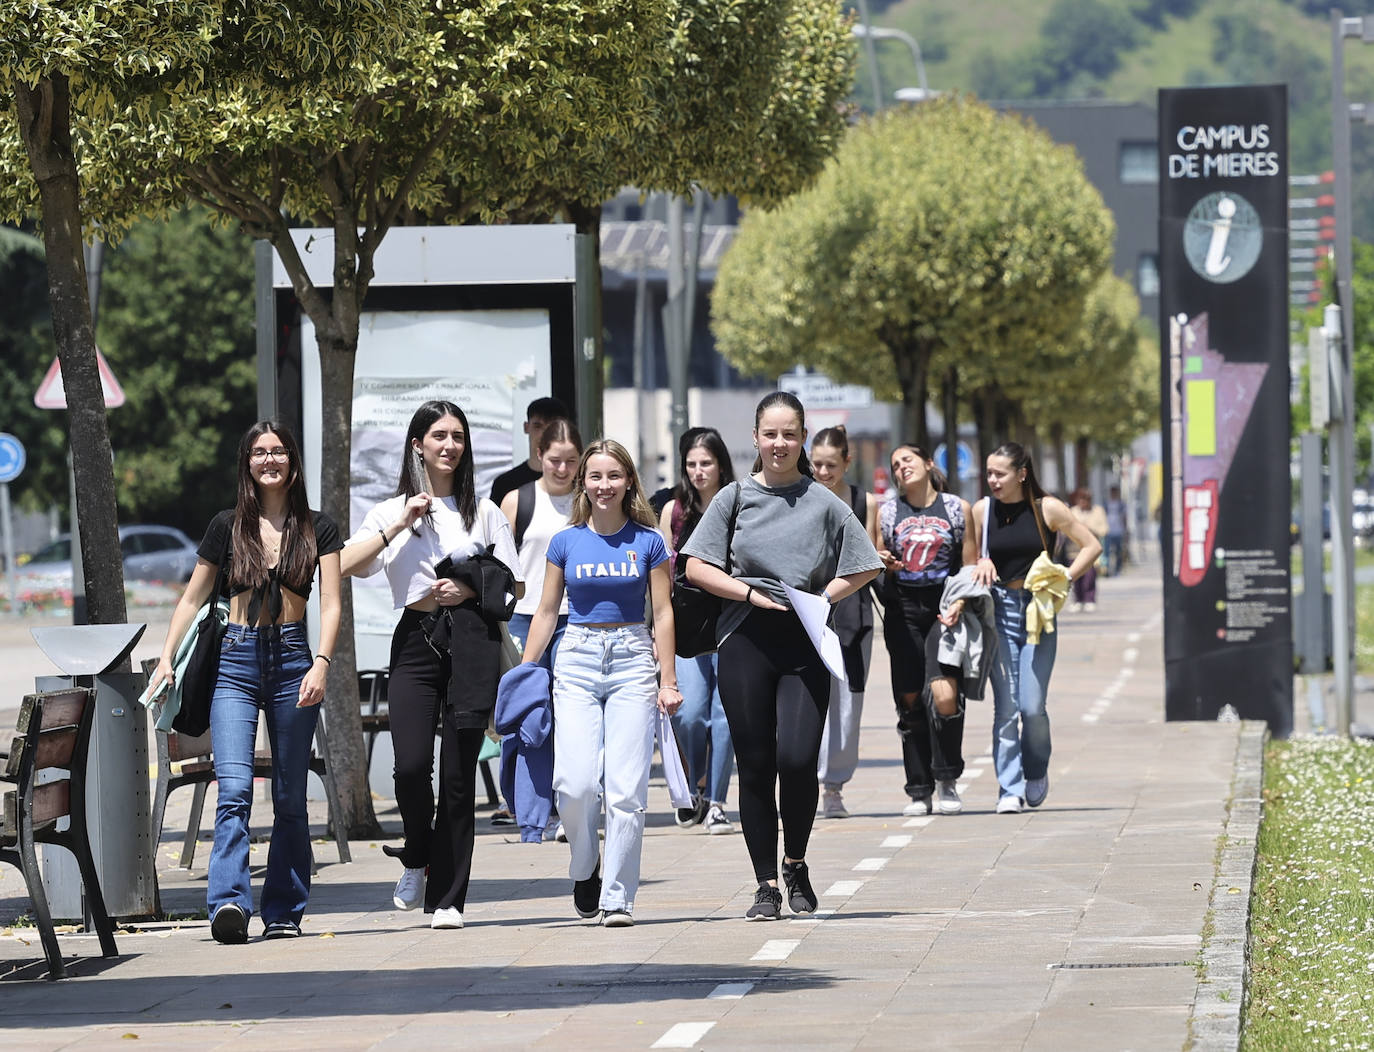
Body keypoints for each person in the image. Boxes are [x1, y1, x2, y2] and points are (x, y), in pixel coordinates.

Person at [681, 392, 881, 921]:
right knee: (756, 764)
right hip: (744, 638)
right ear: (755, 438)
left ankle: (796, 861)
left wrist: (823, 597)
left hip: (805, 640)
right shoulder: (733, 497)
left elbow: (865, 564)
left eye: (789, 434)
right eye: (770, 434)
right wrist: (747, 593)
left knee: (796, 760)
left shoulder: (825, 502)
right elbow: (696, 566)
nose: (779, 443)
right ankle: (766, 883)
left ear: (803, 438)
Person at [148, 421, 342, 944]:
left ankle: (283, 911)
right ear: (247, 464)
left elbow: (333, 603)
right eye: (259, 453)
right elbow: (191, 599)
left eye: (278, 451)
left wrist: (321, 663)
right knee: (232, 788)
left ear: (293, 461)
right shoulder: (226, 525)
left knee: (290, 796)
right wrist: (167, 658)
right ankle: (228, 904)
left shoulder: (318, 528)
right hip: (234, 662)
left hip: (295, 661)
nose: (269, 460)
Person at [341, 400, 523, 929]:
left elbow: (516, 584)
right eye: (439, 435)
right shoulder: (392, 509)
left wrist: (468, 586)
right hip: (416, 640)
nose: (450, 445)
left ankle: (448, 899)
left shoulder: (484, 511)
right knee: (412, 765)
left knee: (459, 775)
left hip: (470, 640)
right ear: (417, 443)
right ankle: (417, 852)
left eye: (458, 436)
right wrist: (402, 521)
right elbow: (349, 565)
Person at [520, 439, 679, 928]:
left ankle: (617, 897)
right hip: (577, 658)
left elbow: (664, 611)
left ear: (629, 480)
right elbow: (547, 611)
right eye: (595, 477)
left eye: (614, 476)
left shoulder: (648, 541)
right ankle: (585, 864)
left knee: (626, 789)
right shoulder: (565, 543)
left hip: (632, 658)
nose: (604, 485)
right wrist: (526, 675)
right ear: (582, 483)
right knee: (575, 784)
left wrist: (667, 679)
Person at [971, 442, 1101, 814]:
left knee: (1032, 706)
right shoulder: (983, 510)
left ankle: (1036, 768)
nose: (992, 480)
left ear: (1022, 474)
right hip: (996, 611)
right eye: (989, 473)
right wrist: (979, 563)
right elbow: (968, 557)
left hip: (1037, 614)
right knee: (1006, 707)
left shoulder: (1048, 508)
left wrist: (1065, 578)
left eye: (1000, 473)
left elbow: (1091, 546)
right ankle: (1008, 788)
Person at [875, 443, 976, 818]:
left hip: (944, 609)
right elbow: (873, 562)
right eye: (895, 464)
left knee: (945, 694)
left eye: (908, 461)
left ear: (928, 463)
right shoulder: (886, 512)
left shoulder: (955, 508)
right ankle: (919, 788)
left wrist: (960, 605)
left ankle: (948, 776)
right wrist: (883, 563)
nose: (902, 468)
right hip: (902, 611)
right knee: (910, 699)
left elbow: (968, 568)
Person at [498, 417, 583, 833]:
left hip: (575, 617)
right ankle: (524, 801)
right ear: (539, 457)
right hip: (524, 616)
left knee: (569, 713)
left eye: (570, 461)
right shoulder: (517, 501)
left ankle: (567, 804)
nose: (563, 469)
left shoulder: (589, 500)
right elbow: (497, 563)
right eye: (554, 460)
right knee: (527, 710)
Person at [658, 427, 737, 835]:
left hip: (732, 621)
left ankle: (719, 801)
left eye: (706, 462)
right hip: (687, 626)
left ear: (721, 464)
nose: (698, 471)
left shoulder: (740, 505)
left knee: (726, 716)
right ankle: (697, 783)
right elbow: (661, 577)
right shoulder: (675, 511)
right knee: (688, 713)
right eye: (691, 464)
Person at [808, 425, 880, 820]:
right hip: (810, 608)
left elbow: (869, 557)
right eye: (817, 464)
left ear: (847, 463)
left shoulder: (863, 501)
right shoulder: (800, 496)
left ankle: (834, 784)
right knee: (808, 695)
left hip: (852, 611)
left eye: (831, 465)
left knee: (848, 700)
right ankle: (808, 778)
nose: (822, 472)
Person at [489, 396, 572, 508]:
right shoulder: (505, 484)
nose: (544, 434)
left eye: (552, 427)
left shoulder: (579, 484)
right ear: (526, 427)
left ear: (564, 429)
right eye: (538, 426)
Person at [1061, 488, 1108, 612]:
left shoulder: (1097, 511)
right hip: (1074, 550)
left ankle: (1089, 599)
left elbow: (1104, 529)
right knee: (1075, 576)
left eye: (1086, 500)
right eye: (1081, 499)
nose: (1083, 502)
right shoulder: (1072, 512)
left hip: (1092, 551)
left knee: (1089, 576)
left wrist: (1089, 529)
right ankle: (1077, 600)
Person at [1104, 484, 1128, 576]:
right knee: (1107, 552)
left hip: (1118, 531)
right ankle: (1106, 570)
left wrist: (1125, 530)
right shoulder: (1106, 503)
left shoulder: (1121, 504)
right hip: (1108, 531)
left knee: (1118, 552)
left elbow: (1124, 517)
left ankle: (1117, 569)